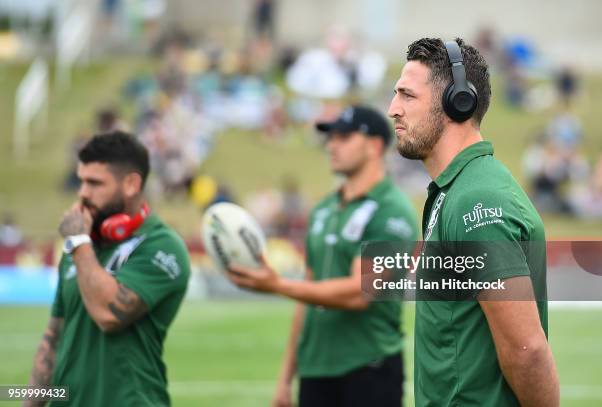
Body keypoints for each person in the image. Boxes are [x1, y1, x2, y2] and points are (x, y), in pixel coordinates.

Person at [388, 37, 559, 406]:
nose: (393, 109)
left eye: (407, 95)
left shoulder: (477, 201)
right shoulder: (457, 190)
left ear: (457, 101)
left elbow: (527, 350)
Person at [228, 105, 418, 407]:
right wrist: (285, 377)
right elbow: (308, 295)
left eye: (343, 137)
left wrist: (277, 285)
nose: (332, 145)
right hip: (315, 370)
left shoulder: (393, 212)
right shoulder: (322, 210)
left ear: (374, 146)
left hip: (369, 367)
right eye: (330, 138)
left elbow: (359, 292)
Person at [25, 131, 191, 407]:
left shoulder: (162, 246)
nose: (82, 193)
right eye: (81, 181)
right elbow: (53, 338)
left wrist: (79, 242)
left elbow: (109, 314)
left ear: (131, 184)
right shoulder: (81, 246)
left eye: (94, 183)